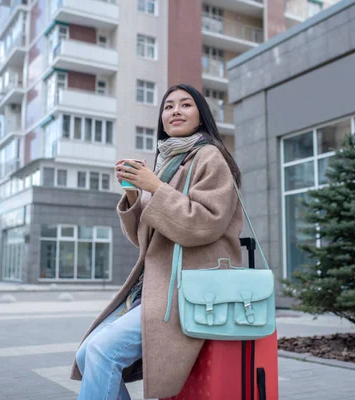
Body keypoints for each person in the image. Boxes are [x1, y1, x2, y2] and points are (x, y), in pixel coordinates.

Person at [70, 84, 244, 399]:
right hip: (158, 288)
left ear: (200, 116)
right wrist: (135, 196)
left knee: (101, 351)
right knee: (87, 353)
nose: (175, 111)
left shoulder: (210, 156)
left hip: (191, 291)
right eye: (168, 106)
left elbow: (202, 224)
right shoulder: (170, 163)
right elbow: (146, 240)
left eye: (185, 105)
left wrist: (155, 187)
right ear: (161, 119)